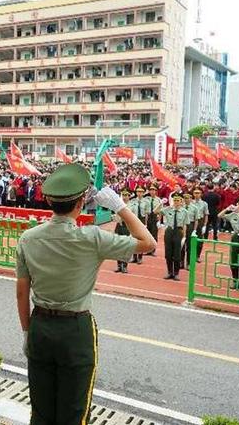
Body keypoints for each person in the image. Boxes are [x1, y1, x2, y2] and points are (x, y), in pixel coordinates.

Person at [15, 164, 155, 424]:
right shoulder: (92, 238)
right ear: (81, 202)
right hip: (76, 330)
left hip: (40, 327)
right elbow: (148, 243)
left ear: (47, 200)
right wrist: (120, 206)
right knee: (74, 412)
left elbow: (22, 293)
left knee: (41, 412)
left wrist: (26, 331)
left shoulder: (28, 238)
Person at [159, 194, 188, 280]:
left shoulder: (184, 212)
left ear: (181, 201)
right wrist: (161, 203)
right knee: (168, 253)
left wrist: (184, 236)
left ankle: (176, 273)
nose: (176, 202)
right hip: (169, 231)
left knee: (177, 254)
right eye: (174, 200)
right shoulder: (168, 209)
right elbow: (155, 211)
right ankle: (169, 272)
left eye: (178, 200)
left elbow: (185, 224)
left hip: (178, 232)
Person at [128, 186, 150, 264]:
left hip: (142, 221)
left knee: (141, 239)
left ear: (143, 193)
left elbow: (147, 214)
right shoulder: (132, 201)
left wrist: (146, 224)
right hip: (134, 221)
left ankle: (140, 257)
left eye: (141, 192)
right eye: (138, 191)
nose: (139, 193)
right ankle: (134, 257)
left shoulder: (146, 202)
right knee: (134, 239)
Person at [113, 190, 132, 273]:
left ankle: (124, 266)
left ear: (129, 196)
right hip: (119, 226)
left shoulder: (132, 205)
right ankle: (119, 265)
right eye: (123, 195)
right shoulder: (118, 204)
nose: (124, 197)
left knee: (126, 246)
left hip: (127, 226)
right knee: (118, 246)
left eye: (126, 195)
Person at [145, 185, 163, 256]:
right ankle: (148, 250)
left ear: (156, 191)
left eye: (154, 190)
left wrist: (159, 219)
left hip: (154, 217)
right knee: (147, 234)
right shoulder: (146, 199)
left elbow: (161, 210)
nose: (152, 191)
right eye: (151, 190)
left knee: (154, 234)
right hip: (148, 216)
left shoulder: (158, 200)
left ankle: (153, 250)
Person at [192, 188, 209, 262]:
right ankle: (190, 256)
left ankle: (197, 256)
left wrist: (205, 225)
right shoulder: (191, 202)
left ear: (201, 194)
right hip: (191, 221)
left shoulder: (204, 204)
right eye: (195, 193)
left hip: (200, 221)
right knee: (189, 239)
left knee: (200, 240)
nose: (196, 194)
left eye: (198, 193)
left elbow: (206, 215)